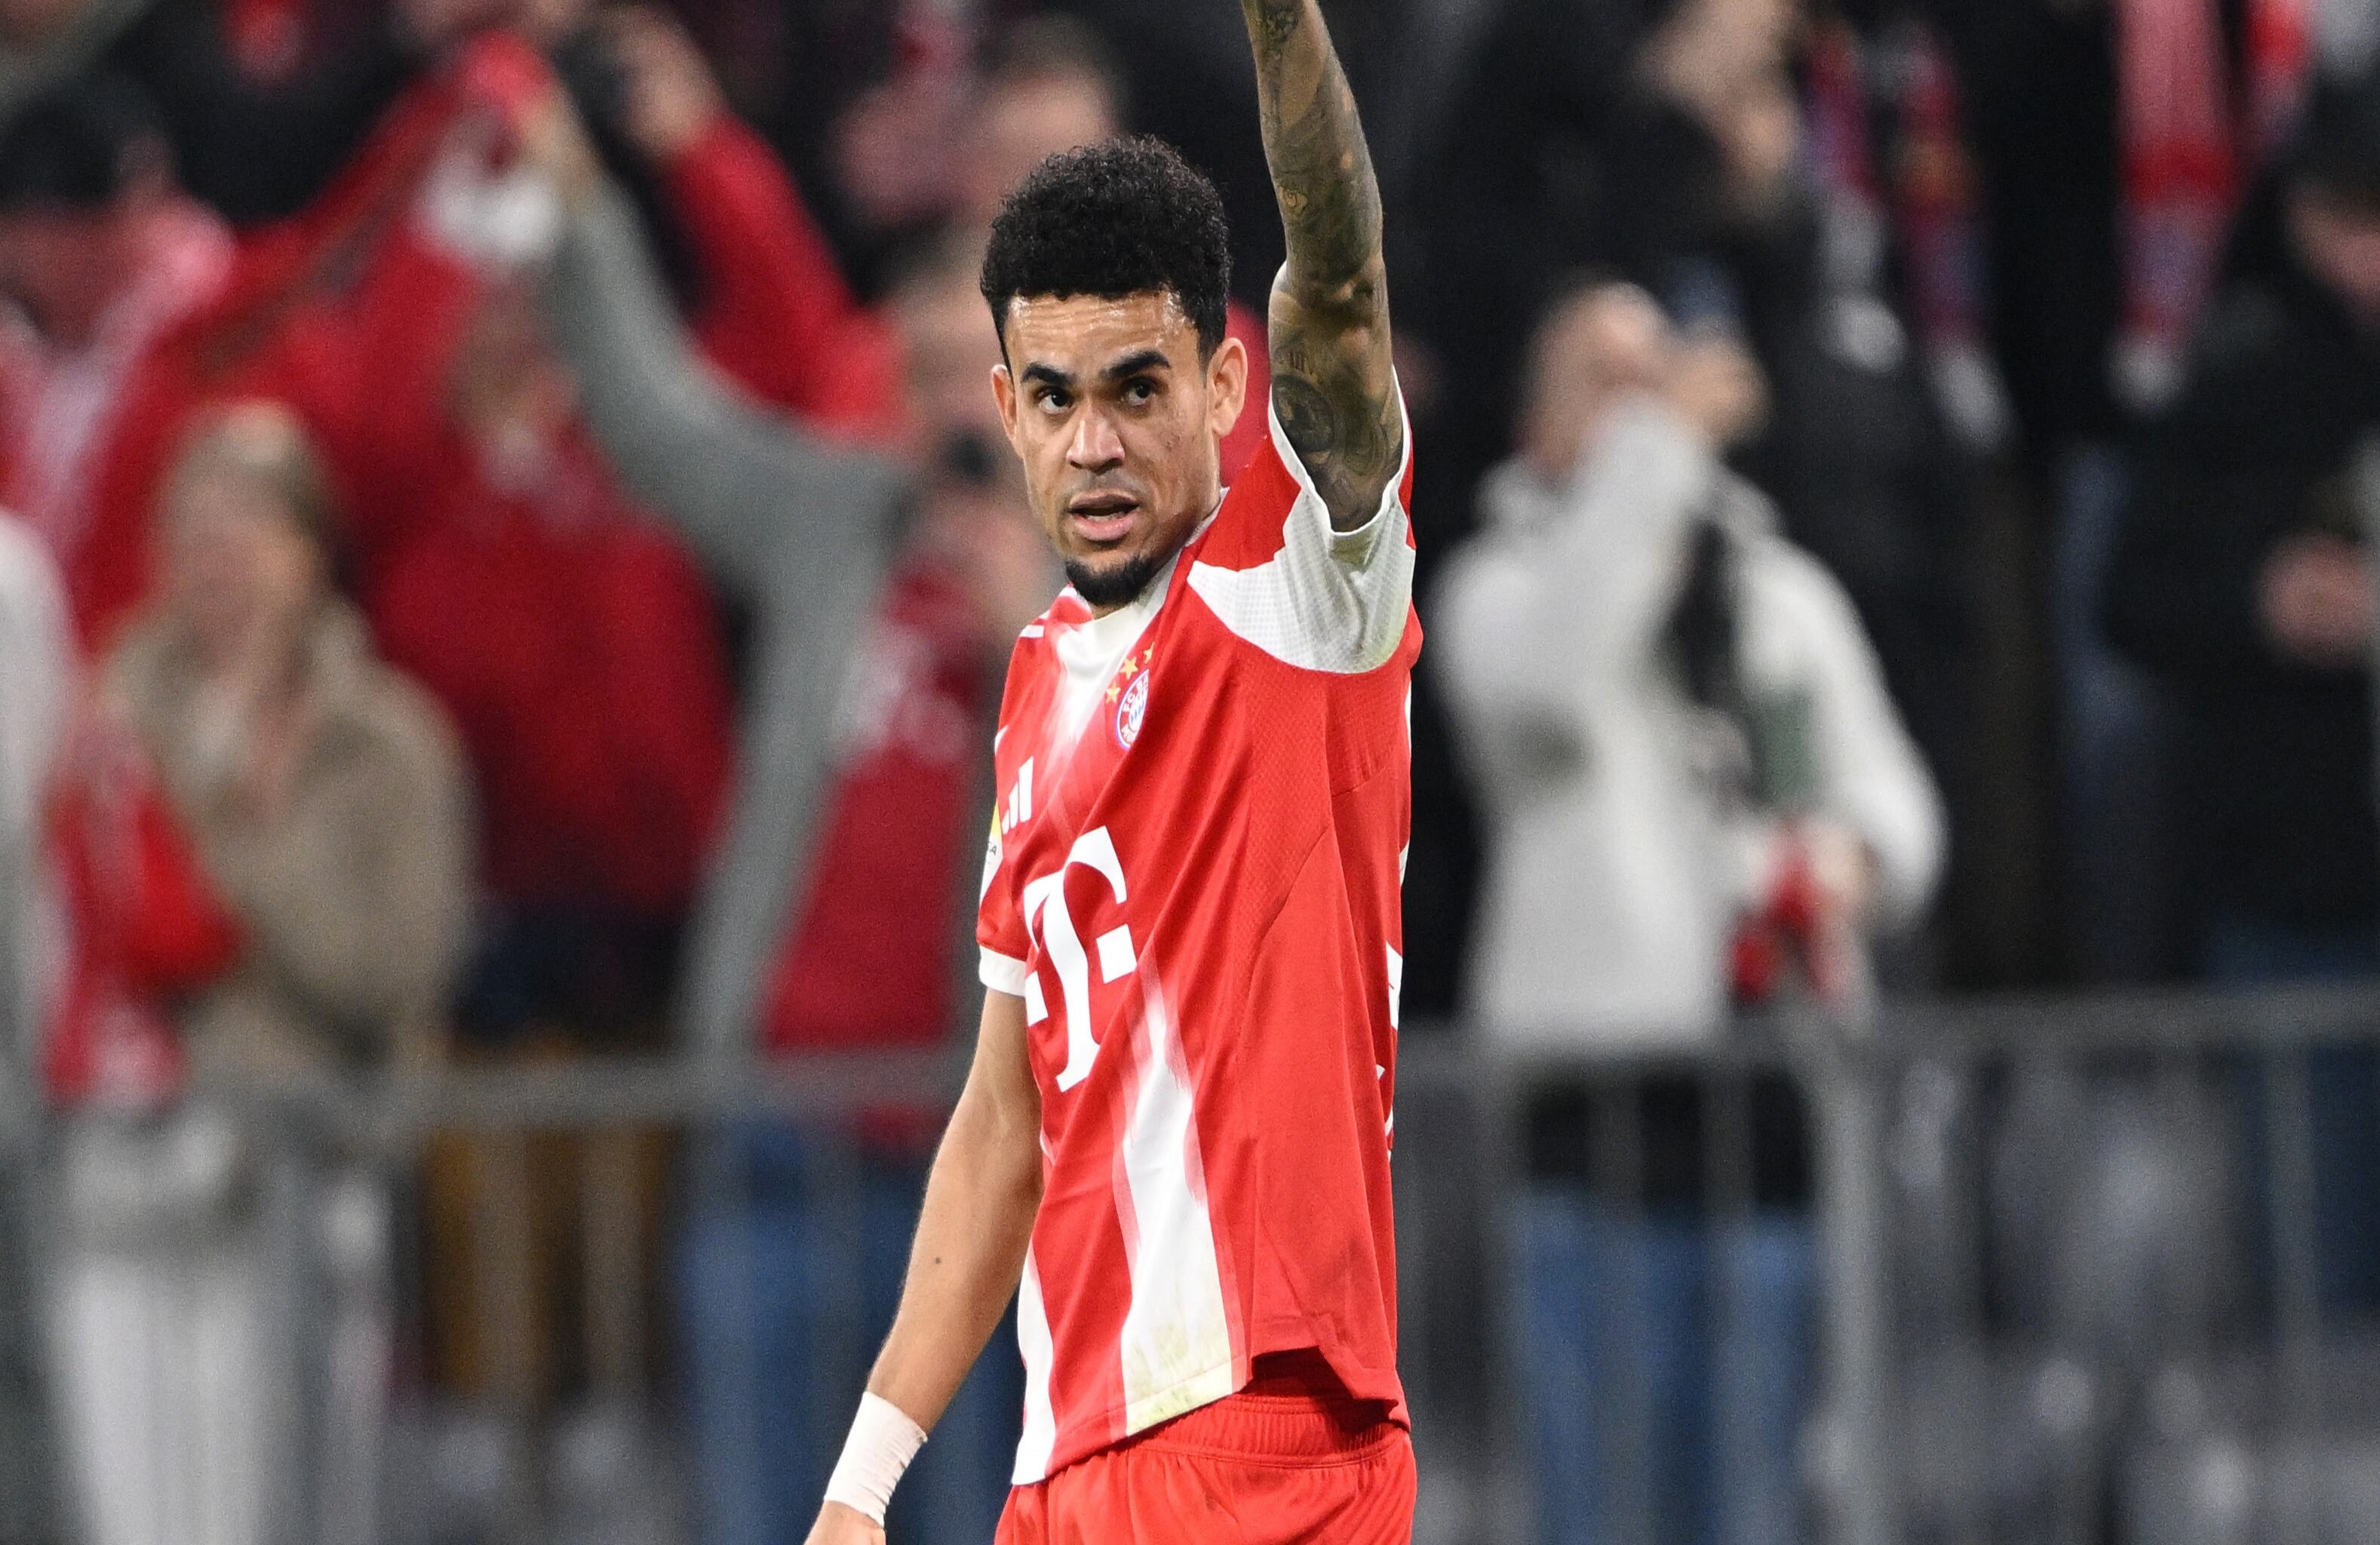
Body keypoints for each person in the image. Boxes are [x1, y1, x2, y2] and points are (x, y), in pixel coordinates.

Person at [792, 0, 1417, 1536]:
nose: (1093, 445)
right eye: (1057, 397)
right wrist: (862, 1488)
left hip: (1266, 1427)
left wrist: (1277, 20)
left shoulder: (1302, 593)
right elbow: (1003, 1127)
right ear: (1003, 407)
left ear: (1226, 387)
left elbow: (1340, 283)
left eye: (1139, 388)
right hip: (1067, 1467)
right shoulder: (1035, 687)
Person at [1434, 281, 1944, 1545]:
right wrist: (1655, 459)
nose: (1643, 405)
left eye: (1655, 376)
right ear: (1535, 428)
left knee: (1760, 1511)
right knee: (1606, 1512)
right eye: (1604, 382)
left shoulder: (1779, 591)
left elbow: (1898, 800)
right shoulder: (1494, 587)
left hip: (1773, 1114)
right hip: (1596, 1132)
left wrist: (1851, 859)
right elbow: (1559, 676)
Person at [45, 401, 471, 1545]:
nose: (217, 558)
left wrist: (230, 862)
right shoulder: (106, 724)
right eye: (192, 531)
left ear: (310, 553)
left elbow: (394, 967)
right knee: (132, 1517)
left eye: (247, 526)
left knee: (295, 1513)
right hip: (124, 1169)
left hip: (305, 1175)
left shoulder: (383, 741)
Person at [2102, 61, 2380, 1308]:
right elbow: (2130, 593)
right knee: (2316, 1286)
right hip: (2296, 892)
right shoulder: (2245, 372)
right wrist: (2262, 598)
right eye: (2346, 216)